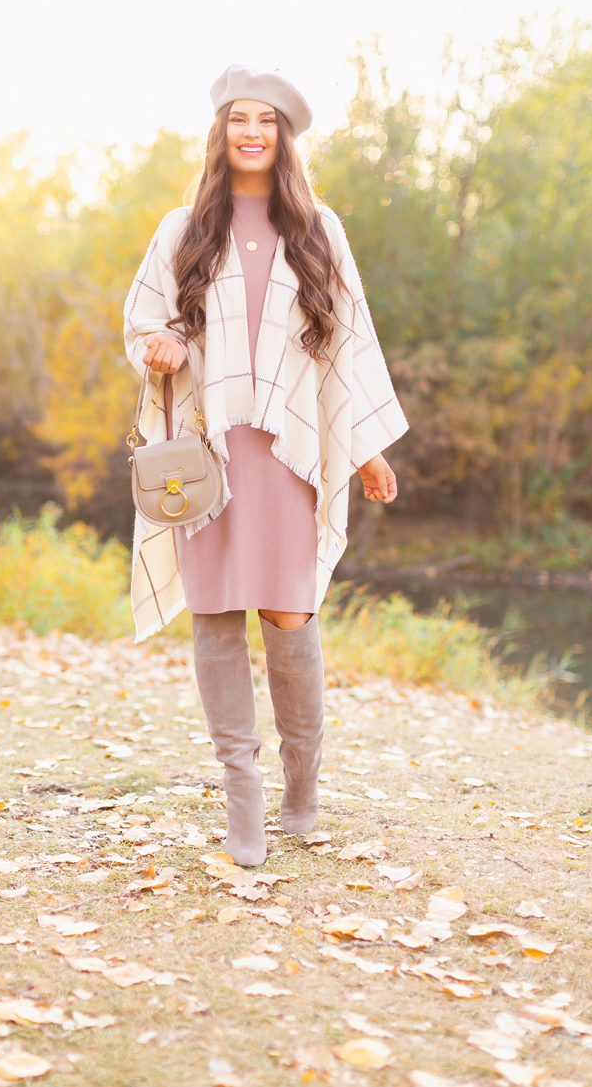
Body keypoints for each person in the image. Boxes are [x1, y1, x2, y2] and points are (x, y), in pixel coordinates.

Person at [124, 64, 408, 866]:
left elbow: (350, 345)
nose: (251, 131)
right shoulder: (183, 228)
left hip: (290, 453)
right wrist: (165, 340)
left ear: (285, 136)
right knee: (215, 617)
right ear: (219, 132)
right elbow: (146, 314)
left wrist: (367, 447)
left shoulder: (322, 229)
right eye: (237, 119)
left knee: (290, 614)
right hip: (208, 454)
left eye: (267, 120)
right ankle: (240, 799)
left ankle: (301, 783)